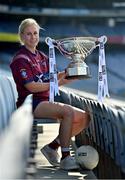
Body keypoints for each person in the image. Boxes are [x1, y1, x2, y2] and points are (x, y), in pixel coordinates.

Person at [10, 18, 90, 170]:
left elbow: (52, 78)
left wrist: (69, 73)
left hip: (45, 101)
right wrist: (58, 83)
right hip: (30, 103)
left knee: (84, 118)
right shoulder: (20, 59)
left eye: (35, 33)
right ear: (21, 36)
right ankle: (66, 157)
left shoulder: (42, 56)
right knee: (67, 112)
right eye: (28, 34)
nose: (33, 37)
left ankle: (52, 147)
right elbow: (32, 87)